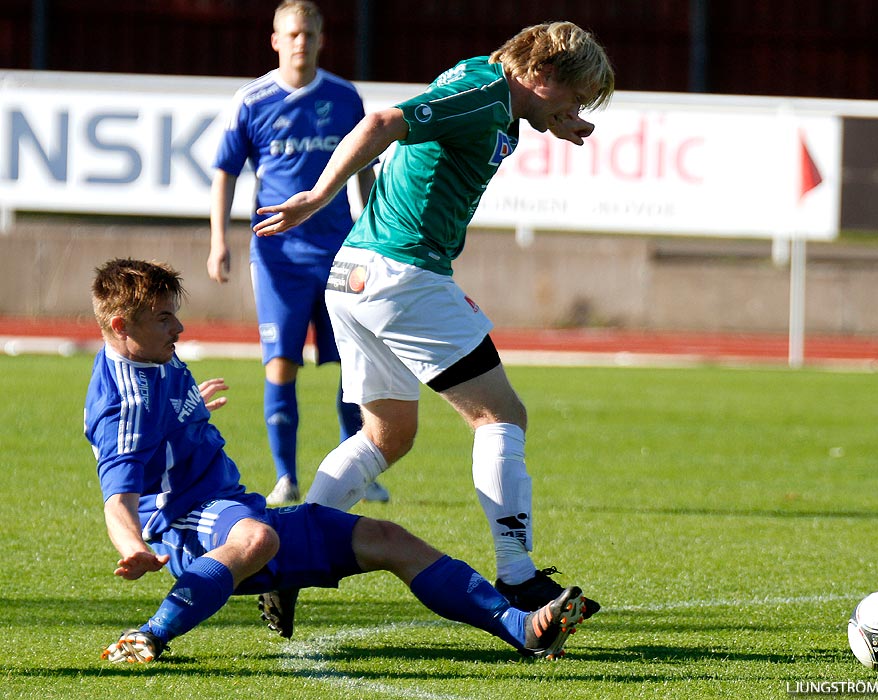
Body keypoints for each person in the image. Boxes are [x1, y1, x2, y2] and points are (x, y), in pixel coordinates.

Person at [252, 21, 615, 631]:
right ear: (543, 75)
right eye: (575, 97)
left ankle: (286, 556)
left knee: (386, 437)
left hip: (358, 274)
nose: (576, 110)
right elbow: (379, 124)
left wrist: (556, 119)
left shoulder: (493, 80)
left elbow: (455, 120)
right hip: (405, 275)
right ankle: (518, 575)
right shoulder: (484, 95)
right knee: (500, 416)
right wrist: (317, 196)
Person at [85, 258, 589, 664]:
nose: (179, 326)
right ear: (120, 325)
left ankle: (520, 628)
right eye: (164, 318)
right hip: (187, 528)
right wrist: (133, 547)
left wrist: (185, 405)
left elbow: (157, 415)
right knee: (257, 538)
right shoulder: (127, 407)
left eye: (174, 312)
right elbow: (118, 496)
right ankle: (148, 636)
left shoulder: (145, 354)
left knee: (388, 538)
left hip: (229, 510)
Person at [208, 0, 388, 506]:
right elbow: (225, 171)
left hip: (340, 251)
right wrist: (218, 240)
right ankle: (286, 476)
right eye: (291, 35)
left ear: (320, 38)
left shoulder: (344, 96)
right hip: (277, 255)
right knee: (281, 363)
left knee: (354, 364)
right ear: (275, 40)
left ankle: (355, 471)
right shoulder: (252, 100)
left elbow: (364, 166)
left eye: (308, 34)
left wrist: (373, 230)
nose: (300, 43)